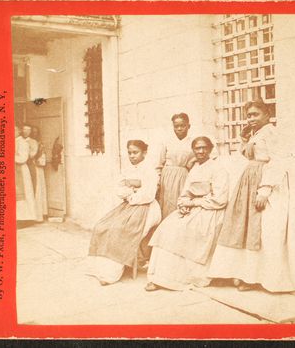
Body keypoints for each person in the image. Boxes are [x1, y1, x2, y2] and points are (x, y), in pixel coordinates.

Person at [208, 99, 295, 292]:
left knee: (267, 230)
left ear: (267, 115)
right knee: (245, 228)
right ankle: (245, 274)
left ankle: (266, 278)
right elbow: (249, 156)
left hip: (267, 184)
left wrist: (265, 189)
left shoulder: (272, 133)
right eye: (248, 115)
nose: (251, 118)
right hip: (249, 181)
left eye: (255, 114)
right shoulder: (255, 133)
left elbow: (279, 161)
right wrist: (245, 141)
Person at [145, 136, 229, 291]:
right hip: (192, 208)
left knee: (182, 231)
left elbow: (220, 199)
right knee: (166, 227)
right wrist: (182, 204)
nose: (201, 151)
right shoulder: (195, 169)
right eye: (197, 148)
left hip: (210, 211)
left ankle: (178, 278)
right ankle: (158, 276)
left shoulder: (218, 169)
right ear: (193, 150)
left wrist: (194, 203)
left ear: (210, 150)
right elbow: (185, 192)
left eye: (204, 148)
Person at [86, 140, 162, 285]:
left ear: (144, 153)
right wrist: (130, 191)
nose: (132, 156)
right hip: (128, 205)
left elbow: (148, 194)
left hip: (146, 207)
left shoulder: (149, 171)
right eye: (130, 153)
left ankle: (111, 273)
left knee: (119, 230)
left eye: (135, 152)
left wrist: (131, 193)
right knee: (101, 227)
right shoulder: (127, 170)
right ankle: (99, 268)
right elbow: (118, 188)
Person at [157, 113, 195, 219]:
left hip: (184, 176)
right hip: (167, 177)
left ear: (188, 126)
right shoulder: (167, 142)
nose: (179, 129)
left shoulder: (192, 142)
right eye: (176, 126)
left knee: (182, 204)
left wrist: (190, 164)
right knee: (168, 205)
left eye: (182, 126)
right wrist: (158, 181)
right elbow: (159, 163)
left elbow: (197, 159)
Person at [15, 125, 38, 222]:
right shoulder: (14, 141)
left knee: (24, 194)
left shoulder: (23, 143)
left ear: (19, 131)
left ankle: (24, 217)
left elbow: (23, 158)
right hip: (15, 169)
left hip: (21, 169)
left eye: (14, 130)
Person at [30, 126, 48, 222]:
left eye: (36, 132)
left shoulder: (40, 144)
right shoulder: (29, 142)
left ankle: (40, 214)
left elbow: (42, 159)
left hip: (38, 168)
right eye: (33, 132)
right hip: (31, 167)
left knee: (39, 189)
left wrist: (39, 157)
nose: (34, 134)